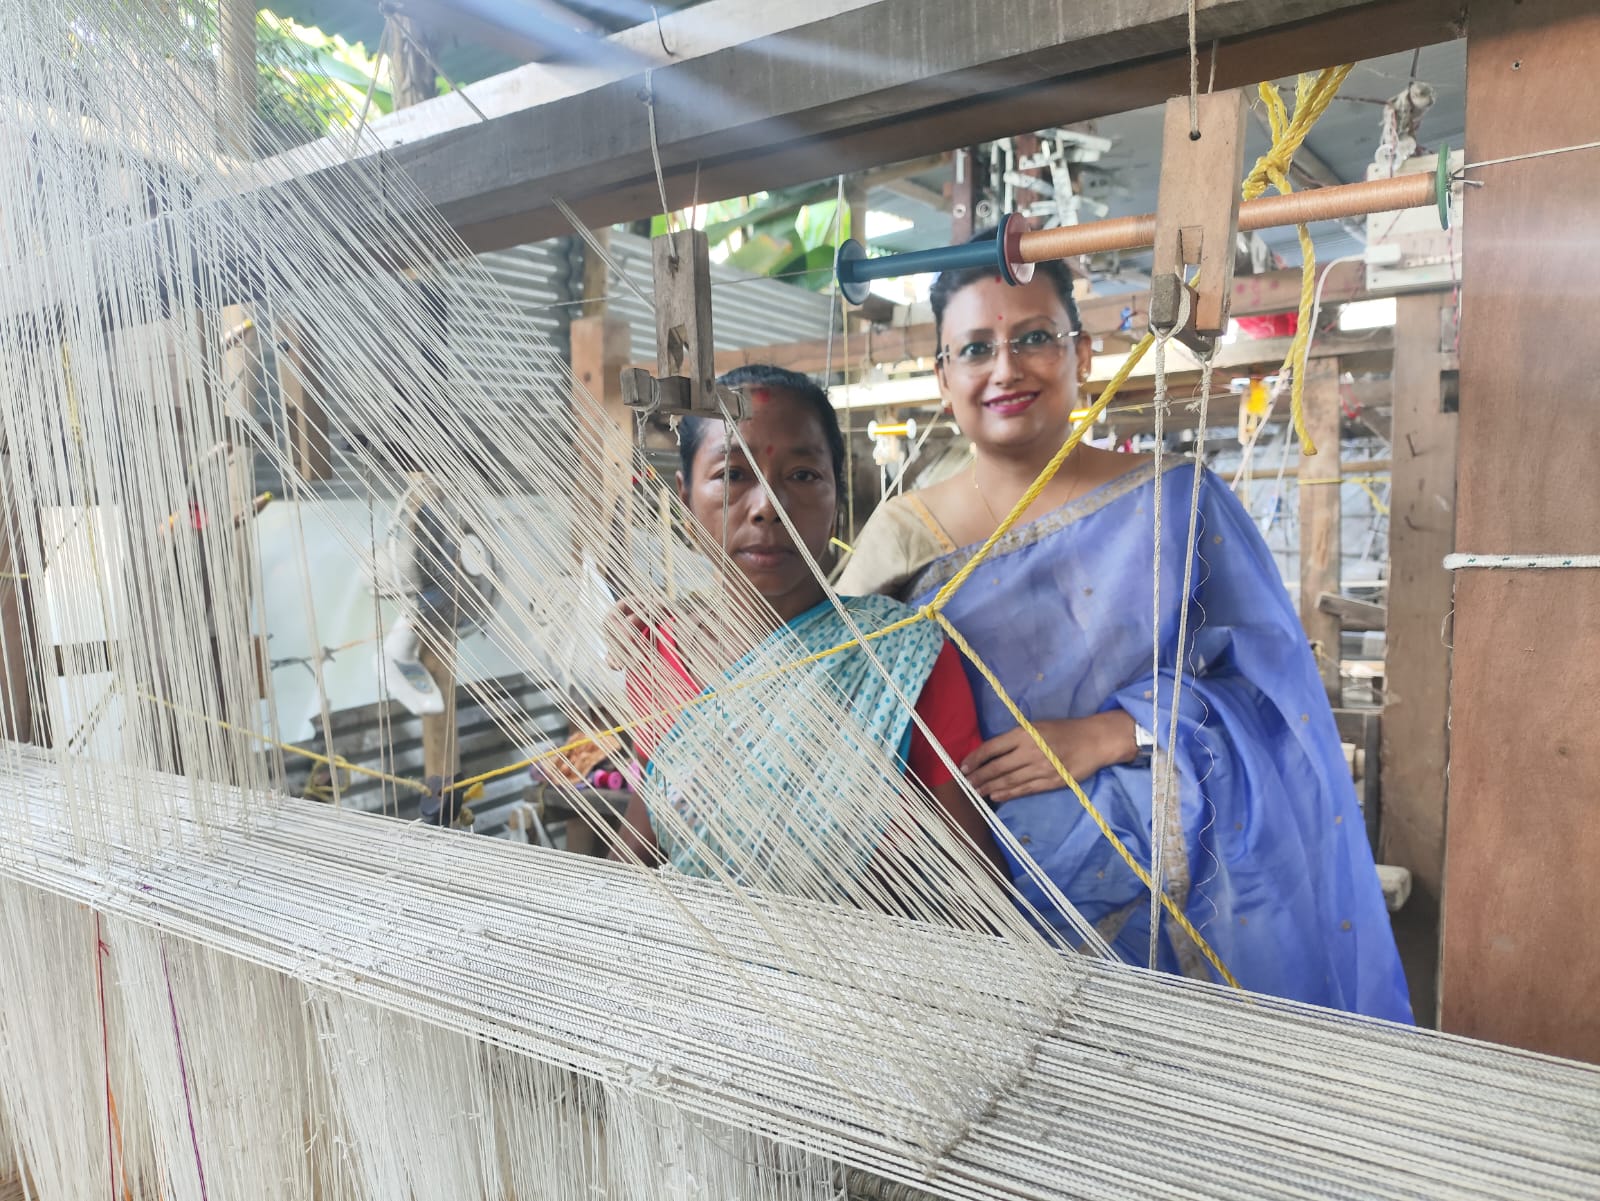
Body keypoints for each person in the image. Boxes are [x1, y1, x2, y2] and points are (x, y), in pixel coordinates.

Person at [838, 234, 1412, 1022]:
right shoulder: (901, 538)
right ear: (944, 379)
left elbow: (1279, 703)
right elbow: (833, 709)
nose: (1006, 368)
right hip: (975, 916)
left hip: (1180, 924)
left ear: (1084, 353)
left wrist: (1117, 731)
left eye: (1034, 337)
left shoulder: (1179, 502)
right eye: (975, 348)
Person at [609, 364, 1004, 890]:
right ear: (684, 503)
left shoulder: (900, 657)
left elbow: (971, 883)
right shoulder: (658, 653)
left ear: (836, 504)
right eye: (732, 475)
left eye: (801, 476)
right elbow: (652, 824)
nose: (767, 508)